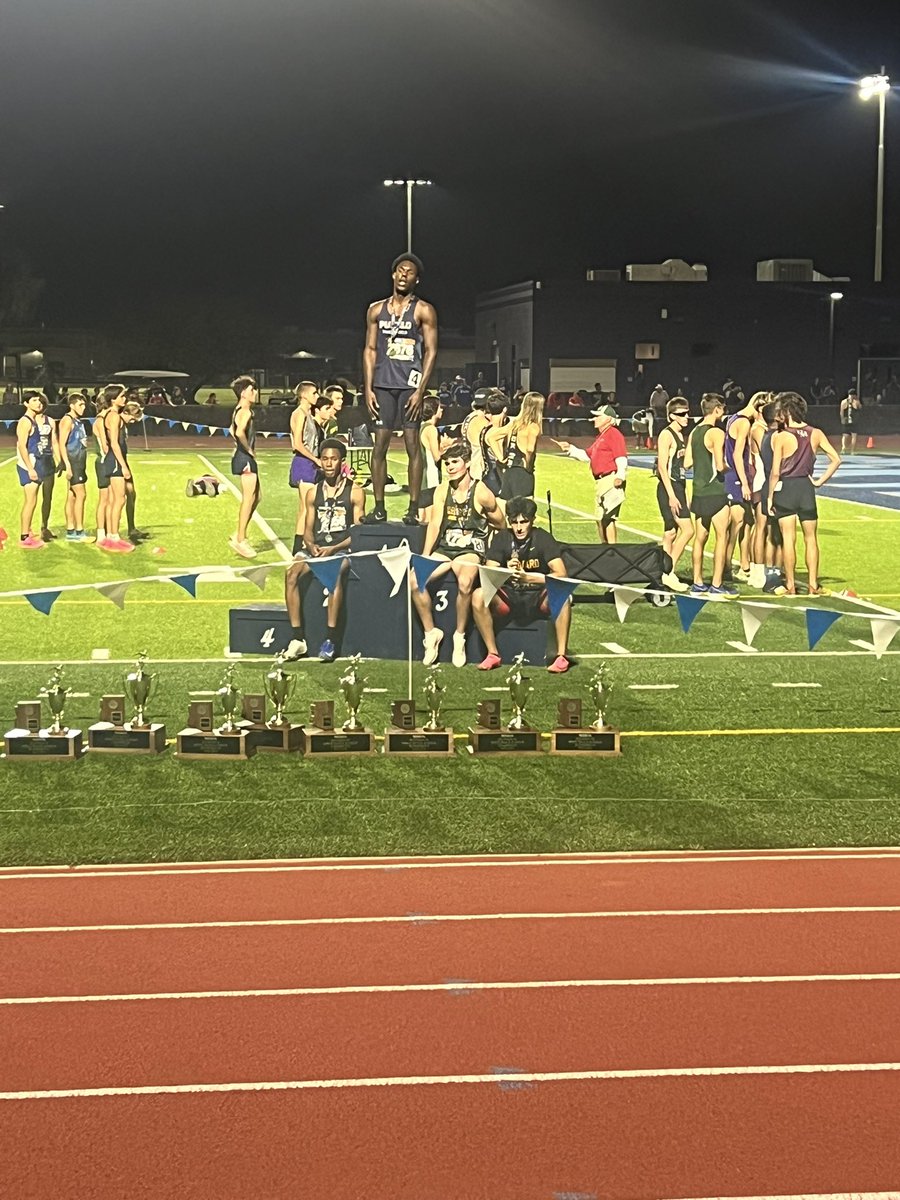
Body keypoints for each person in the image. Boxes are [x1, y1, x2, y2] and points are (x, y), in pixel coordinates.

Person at [411, 440, 504, 668]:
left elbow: (501, 523)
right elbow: (434, 524)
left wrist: (491, 543)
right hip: (446, 548)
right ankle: (431, 632)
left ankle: (459, 636)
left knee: (464, 582)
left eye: (455, 462)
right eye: (447, 463)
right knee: (414, 580)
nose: (451, 467)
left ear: (467, 463)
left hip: (470, 550)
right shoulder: (443, 490)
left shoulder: (481, 491)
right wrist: (425, 556)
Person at [362, 253, 438, 525]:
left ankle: (413, 508)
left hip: (409, 386)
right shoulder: (375, 310)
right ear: (393, 274)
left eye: (410, 272)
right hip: (382, 384)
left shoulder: (423, 310)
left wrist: (420, 390)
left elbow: (431, 351)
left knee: (412, 445)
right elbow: (370, 350)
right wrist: (368, 387)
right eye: (401, 270)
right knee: (379, 445)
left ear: (417, 280)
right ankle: (379, 507)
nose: (404, 275)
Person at [284, 439, 366, 662]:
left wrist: (334, 548)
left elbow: (357, 534)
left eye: (334, 459)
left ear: (342, 462)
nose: (329, 464)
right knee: (291, 574)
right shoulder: (312, 492)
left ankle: (329, 640)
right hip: (316, 549)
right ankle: (297, 638)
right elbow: (308, 529)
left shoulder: (355, 492)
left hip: (341, 549)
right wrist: (310, 545)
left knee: (333, 575)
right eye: (325, 459)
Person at [472, 495, 572, 673]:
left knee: (562, 595)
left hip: (537, 596)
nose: (519, 528)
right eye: (514, 522)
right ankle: (492, 653)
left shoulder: (543, 538)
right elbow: (488, 575)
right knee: (479, 595)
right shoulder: (502, 538)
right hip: (509, 597)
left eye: (524, 522)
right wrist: (505, 572)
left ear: (532, 520)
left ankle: (561, 657)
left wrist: (529, 578)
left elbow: (561, 574)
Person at [767, 392, 841, 596]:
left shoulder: (780, 436)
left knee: (788, 539)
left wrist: (770, 497)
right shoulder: (815, 433)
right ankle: (812, 585)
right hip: (806, 489)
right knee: (811, 539)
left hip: (786, 488)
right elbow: (836, 459)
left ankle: (790, 584)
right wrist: (818, 482)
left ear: (787, 411)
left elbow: (775, 472)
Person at [555, 403, 627, 544]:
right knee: (601, 518)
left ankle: (612, 550)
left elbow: (621, 456)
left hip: (609, 478)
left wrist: (620, 475)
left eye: (597, 416)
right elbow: (588, 456)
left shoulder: (613, 434)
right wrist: (570, 448)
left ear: (607, 419)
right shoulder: (602, 436)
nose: (594, 419)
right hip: (601, 480)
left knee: (607, 517)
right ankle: (605, 547)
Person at [683, 393, 733, 596]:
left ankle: (697, 582)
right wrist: (731, 469)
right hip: (716, 491)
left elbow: (687, 463)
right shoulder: (717, 433)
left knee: (700, 538)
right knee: (722, 537)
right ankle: (717, 584)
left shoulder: (695, 432)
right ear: (717, 410)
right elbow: (720, 465)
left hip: (699, 491)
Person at [723, 391, 769, 586]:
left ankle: (744, 566)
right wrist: (743, 482)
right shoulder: (743, 422)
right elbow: (736, 455)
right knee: (737, 524)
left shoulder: (735, 418)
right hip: (736, 476)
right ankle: (725, 567)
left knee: (746, 521)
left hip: (736, 475)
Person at [654, 397, 693, 591]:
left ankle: (662, 571)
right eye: (681, 414)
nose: (686, 417)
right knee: (688, 530)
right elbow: (662, 466)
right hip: (670, 488)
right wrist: (672, 495)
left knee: (670, 533)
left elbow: (681, 467)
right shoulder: (666, 435)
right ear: (671, 416)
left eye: (687, 413)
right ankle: (669, 572)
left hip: (678, 487)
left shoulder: (680, 435)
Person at [485, 389, 544, 500]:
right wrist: (529, 466)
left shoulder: (514, 423)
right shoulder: (533, 426)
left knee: (509, 509)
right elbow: (530, 449)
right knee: (524, 509)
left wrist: (501, 458)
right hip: (522, 473)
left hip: (509, 472)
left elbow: (491, 437)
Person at [15, 391, 54, 548]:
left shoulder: (32, 420)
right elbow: (22, 447)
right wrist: (30, 469)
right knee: (30, 501)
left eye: (39, 400)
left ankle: (28, 531)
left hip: (36, 463)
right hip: (29, 464)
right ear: (26, 403)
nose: (38, 403)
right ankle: (24, 537)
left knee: (33, 500)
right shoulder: (25, 422)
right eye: (34, 400)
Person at [98, 385, 135, 552]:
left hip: (113, 460)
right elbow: (113, 442)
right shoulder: (113, 417)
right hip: (115, 461)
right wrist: (123, 465)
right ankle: (113, 537)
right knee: (119, 500)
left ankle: (112, 536)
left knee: (115, 500)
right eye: (121, 396)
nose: (124, 399)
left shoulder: (113, 415)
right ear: (113, 399)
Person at [229, 374, 261, 559]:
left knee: (257, 497)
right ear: (243, 393)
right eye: (251, 390)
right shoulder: (245, 412)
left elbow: (231, 430)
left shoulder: (238, 410)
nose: (254, 393)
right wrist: (248, 449)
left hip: (243, 457)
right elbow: (239, 432)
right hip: (245, 458)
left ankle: (240, 533)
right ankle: (240, 539)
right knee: (248, 499)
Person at [289, 380, 322, 552]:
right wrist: (316, 460)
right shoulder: (300, 413)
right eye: (314, 393)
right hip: (304, 463)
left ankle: (300, 544)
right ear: (304, 395)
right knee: (306, 508)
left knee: (306, 507)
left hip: (309, 463)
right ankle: (299, 547)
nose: (317, 396)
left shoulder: (308, 414)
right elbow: (298, 444)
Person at [57, 391, 91, 541]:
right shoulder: (67, 420)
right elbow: (61, 444)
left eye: (84, 404)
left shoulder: (78, 421)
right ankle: (79, 531)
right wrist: (67, 466)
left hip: (79, 462)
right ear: (72, 405)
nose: (83, 407)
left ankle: (71, 530)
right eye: (80, 404)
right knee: (81, 495)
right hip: (74, 462)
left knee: (72, 496)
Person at [417, 396, 448, 522]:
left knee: (421, 513)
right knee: (430, 517)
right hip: (430, 476)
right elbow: (437, 456)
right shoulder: (431, 429)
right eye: (440, 407)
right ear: (433, 409)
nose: (442, 410)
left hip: (421, 476)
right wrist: (446, 446)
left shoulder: (420, 427)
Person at [839, 388, 862, 455]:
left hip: (846, 421)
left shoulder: (843, 402)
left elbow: (841, 412)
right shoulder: (856, 402)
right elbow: (860, 408)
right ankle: (852, 451)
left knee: (845, 435)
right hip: (853, 421)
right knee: (854, 436)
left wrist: (842, 419)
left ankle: (843, 448)